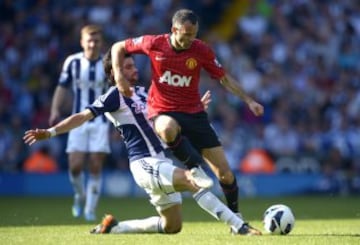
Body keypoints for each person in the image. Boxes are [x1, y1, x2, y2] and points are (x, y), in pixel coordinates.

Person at [23, 50, 261, 236]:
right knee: (193, 181)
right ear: (115, 73)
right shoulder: (113, 96)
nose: (134, 68)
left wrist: (195, 107)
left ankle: (114, 228)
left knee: (172, 226)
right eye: (127, 67)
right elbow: (82, 116)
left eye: (133, 64)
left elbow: (168, 119)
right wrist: (51, 131)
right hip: (143, 164)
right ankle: (239, 226)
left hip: (161, 161)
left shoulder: (146, 93)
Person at [110, 8, 264, 214]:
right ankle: (194, 166)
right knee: (166, 127)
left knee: (225, 174)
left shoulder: (201, 50)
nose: (191, 39)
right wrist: (119, 76)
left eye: (194, 34)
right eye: (187, 34)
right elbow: (117, 46)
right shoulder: (154, 43)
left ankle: (236, 215)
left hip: (194, 113)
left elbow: (223, 77)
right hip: (162, 111)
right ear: (174, 29)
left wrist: (249, 100)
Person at [48, 24, 110, 221]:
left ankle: (90, 210)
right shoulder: (73, 62)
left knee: (95, 165)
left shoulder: (108, 63)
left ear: (101, 42)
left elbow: (116, 92)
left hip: (101, 121)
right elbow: (62, 87)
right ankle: (79, 195)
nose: (92, 44)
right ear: (82, 42)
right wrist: (55, 110)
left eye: (96, 40)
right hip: (77, 120)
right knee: (75, 166)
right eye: (89, 40)